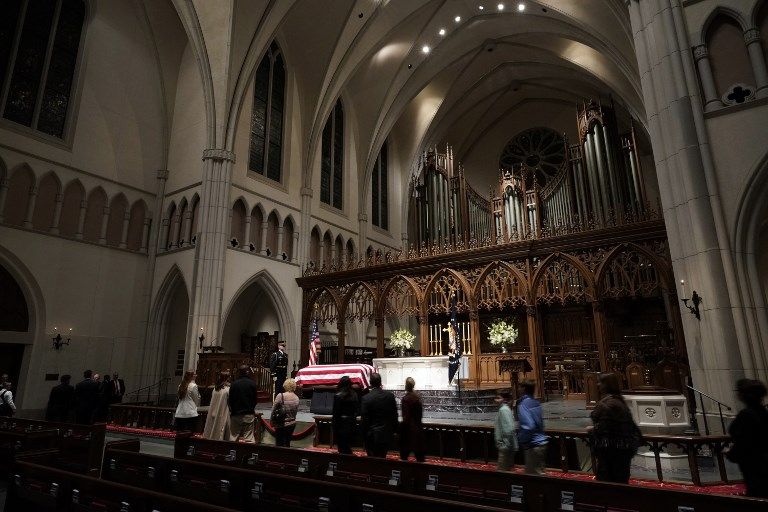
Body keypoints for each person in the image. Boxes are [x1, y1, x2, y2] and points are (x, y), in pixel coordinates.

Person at [589, 373, 641, 484]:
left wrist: (592, 430)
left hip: (610, 452)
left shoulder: (607, 404)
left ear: (606, 385)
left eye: (600, 382)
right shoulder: (619, 401)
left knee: (609, 486)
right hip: (623, 450)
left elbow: (604, 429)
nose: (598, 385)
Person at [726, 379, 768, 498]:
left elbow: (744, 441)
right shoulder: (764, 412)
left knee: (757, 492)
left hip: (754, 462)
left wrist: (731, 454)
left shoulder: (746, 415)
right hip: (763, 460)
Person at [360, 372, 398, 457]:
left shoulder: (366, 398)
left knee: (372, 462)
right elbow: (394, 415)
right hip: (386, 434)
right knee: (382, 459)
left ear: (370, 383)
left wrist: (363, 435)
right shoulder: (390, 396)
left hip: (371, 435)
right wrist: (395, 431)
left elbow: (364, 419)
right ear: (380, 382)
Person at [516, 379, 548, 474]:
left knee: (533, 479)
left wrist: (521, 439)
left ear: (524, 389)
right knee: (541, 473)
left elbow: (529, 426)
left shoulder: (523, 404)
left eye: (520, 387)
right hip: (542, 443)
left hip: (533, 445)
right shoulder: (536, 402)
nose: (518, 389)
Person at [229, 365, 258, 442]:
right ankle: (248, 453)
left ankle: (232, 453)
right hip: (248, 413)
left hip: (236, 414)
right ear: (248, 372)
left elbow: (230, 400)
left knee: (233, 437)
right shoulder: (252, 384)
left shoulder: (234, 384)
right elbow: (255, 400)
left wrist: (233, 410)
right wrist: (251, 408)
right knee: (249, 438)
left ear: (239, 373)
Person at [399, 377, 425, 462]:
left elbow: (406, 417)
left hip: (409, 430)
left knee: (404, 455)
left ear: (406, 386)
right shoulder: (418, 397)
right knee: (419, 456)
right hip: (418, 428)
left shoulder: (406, 399)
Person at [332, 376, 359, 455]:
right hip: (351, 422)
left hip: (341, 423)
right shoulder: (354, 394)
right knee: (347, 445)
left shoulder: (338, 395)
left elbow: (336, 412)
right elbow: (357, 410)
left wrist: (334, 425)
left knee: (342, 446)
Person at [271, 378, 300, 447]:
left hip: (281, 423)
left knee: (279, 444)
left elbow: (273, 410)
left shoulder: (281, 396)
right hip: (292, 423)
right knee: (287, 443)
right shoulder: (297, 398)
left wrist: (271, 420)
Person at [203, 370, 231, 440]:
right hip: (222, 413)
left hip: (214, 411)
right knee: (220, 431)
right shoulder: (227, 389)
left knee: (213, 429)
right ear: (227, 378)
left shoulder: (215, 388)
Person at [494, 389, 517, 471]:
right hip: (507, 447)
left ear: (504, 399)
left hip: (505, 448)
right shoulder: (505, 409)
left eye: (498, 398)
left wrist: (504, 445)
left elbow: (509, 429)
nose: (495, 400)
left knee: (503, 472)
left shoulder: (503, 410)